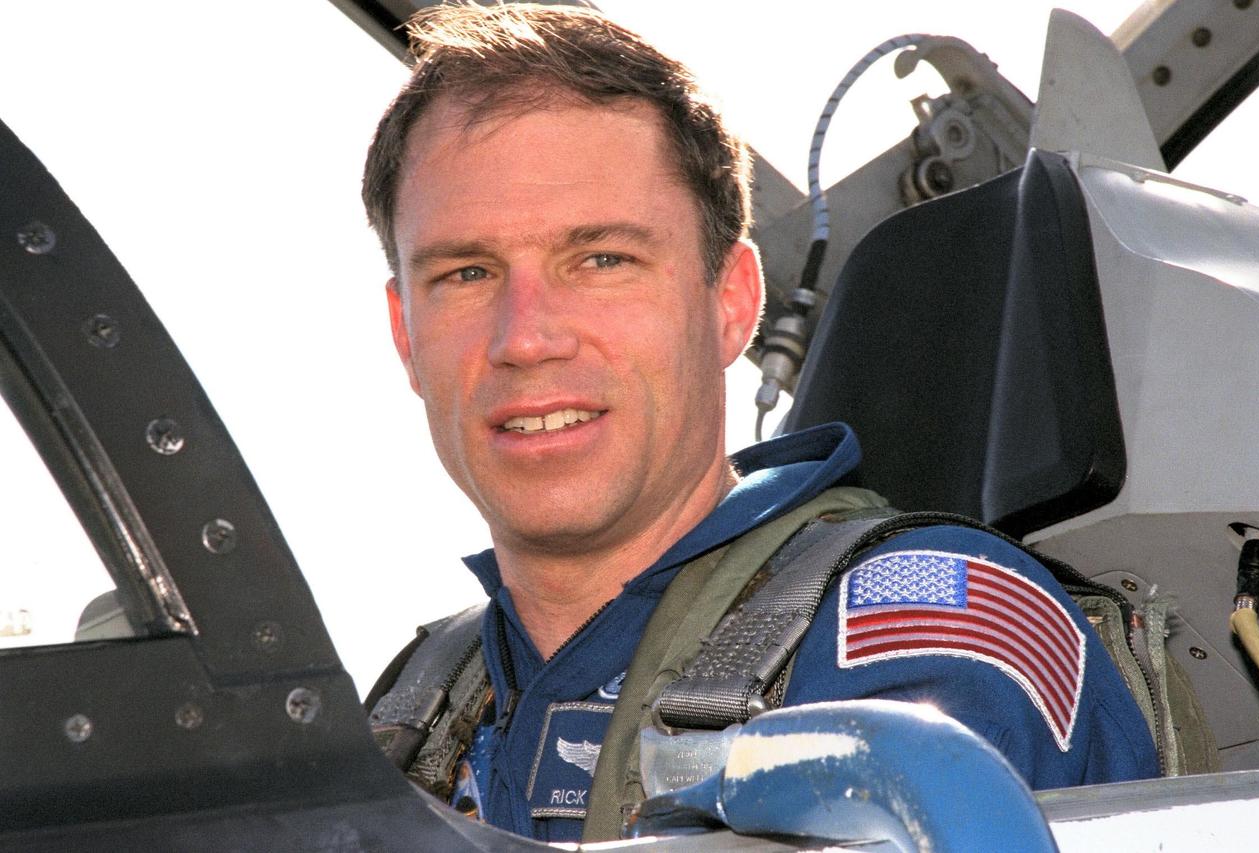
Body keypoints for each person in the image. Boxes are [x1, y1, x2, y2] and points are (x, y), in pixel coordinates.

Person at [361, 3, 1158, 843]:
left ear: (732, 303)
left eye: (602, 260)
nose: (525, 336)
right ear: (406, 335)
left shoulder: (929, 639)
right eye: (467, 272)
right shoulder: (400, 722)